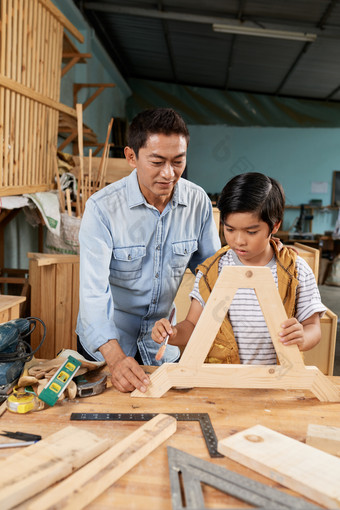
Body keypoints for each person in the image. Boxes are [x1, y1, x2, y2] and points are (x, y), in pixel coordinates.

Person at [76, 108, 221, 392]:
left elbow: (211, 274)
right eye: (157, 161)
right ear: (131, 157)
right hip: (108, 344)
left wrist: (192, 327)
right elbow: (93, 293)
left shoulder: (199, 203)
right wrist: (116, 359)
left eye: (178, 161)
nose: (169, 174)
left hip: (163, 342)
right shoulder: (102, 209)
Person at [152, 172, 326, 364]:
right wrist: (173, 333)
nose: (238, 241)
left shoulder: (295, 270)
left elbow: (313, 327)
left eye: (251, 232)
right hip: (222, 381)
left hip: (275, 381)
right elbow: (193, 325)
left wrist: (303, 336)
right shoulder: (212, 271)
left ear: (275, 225)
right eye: (230, 229)